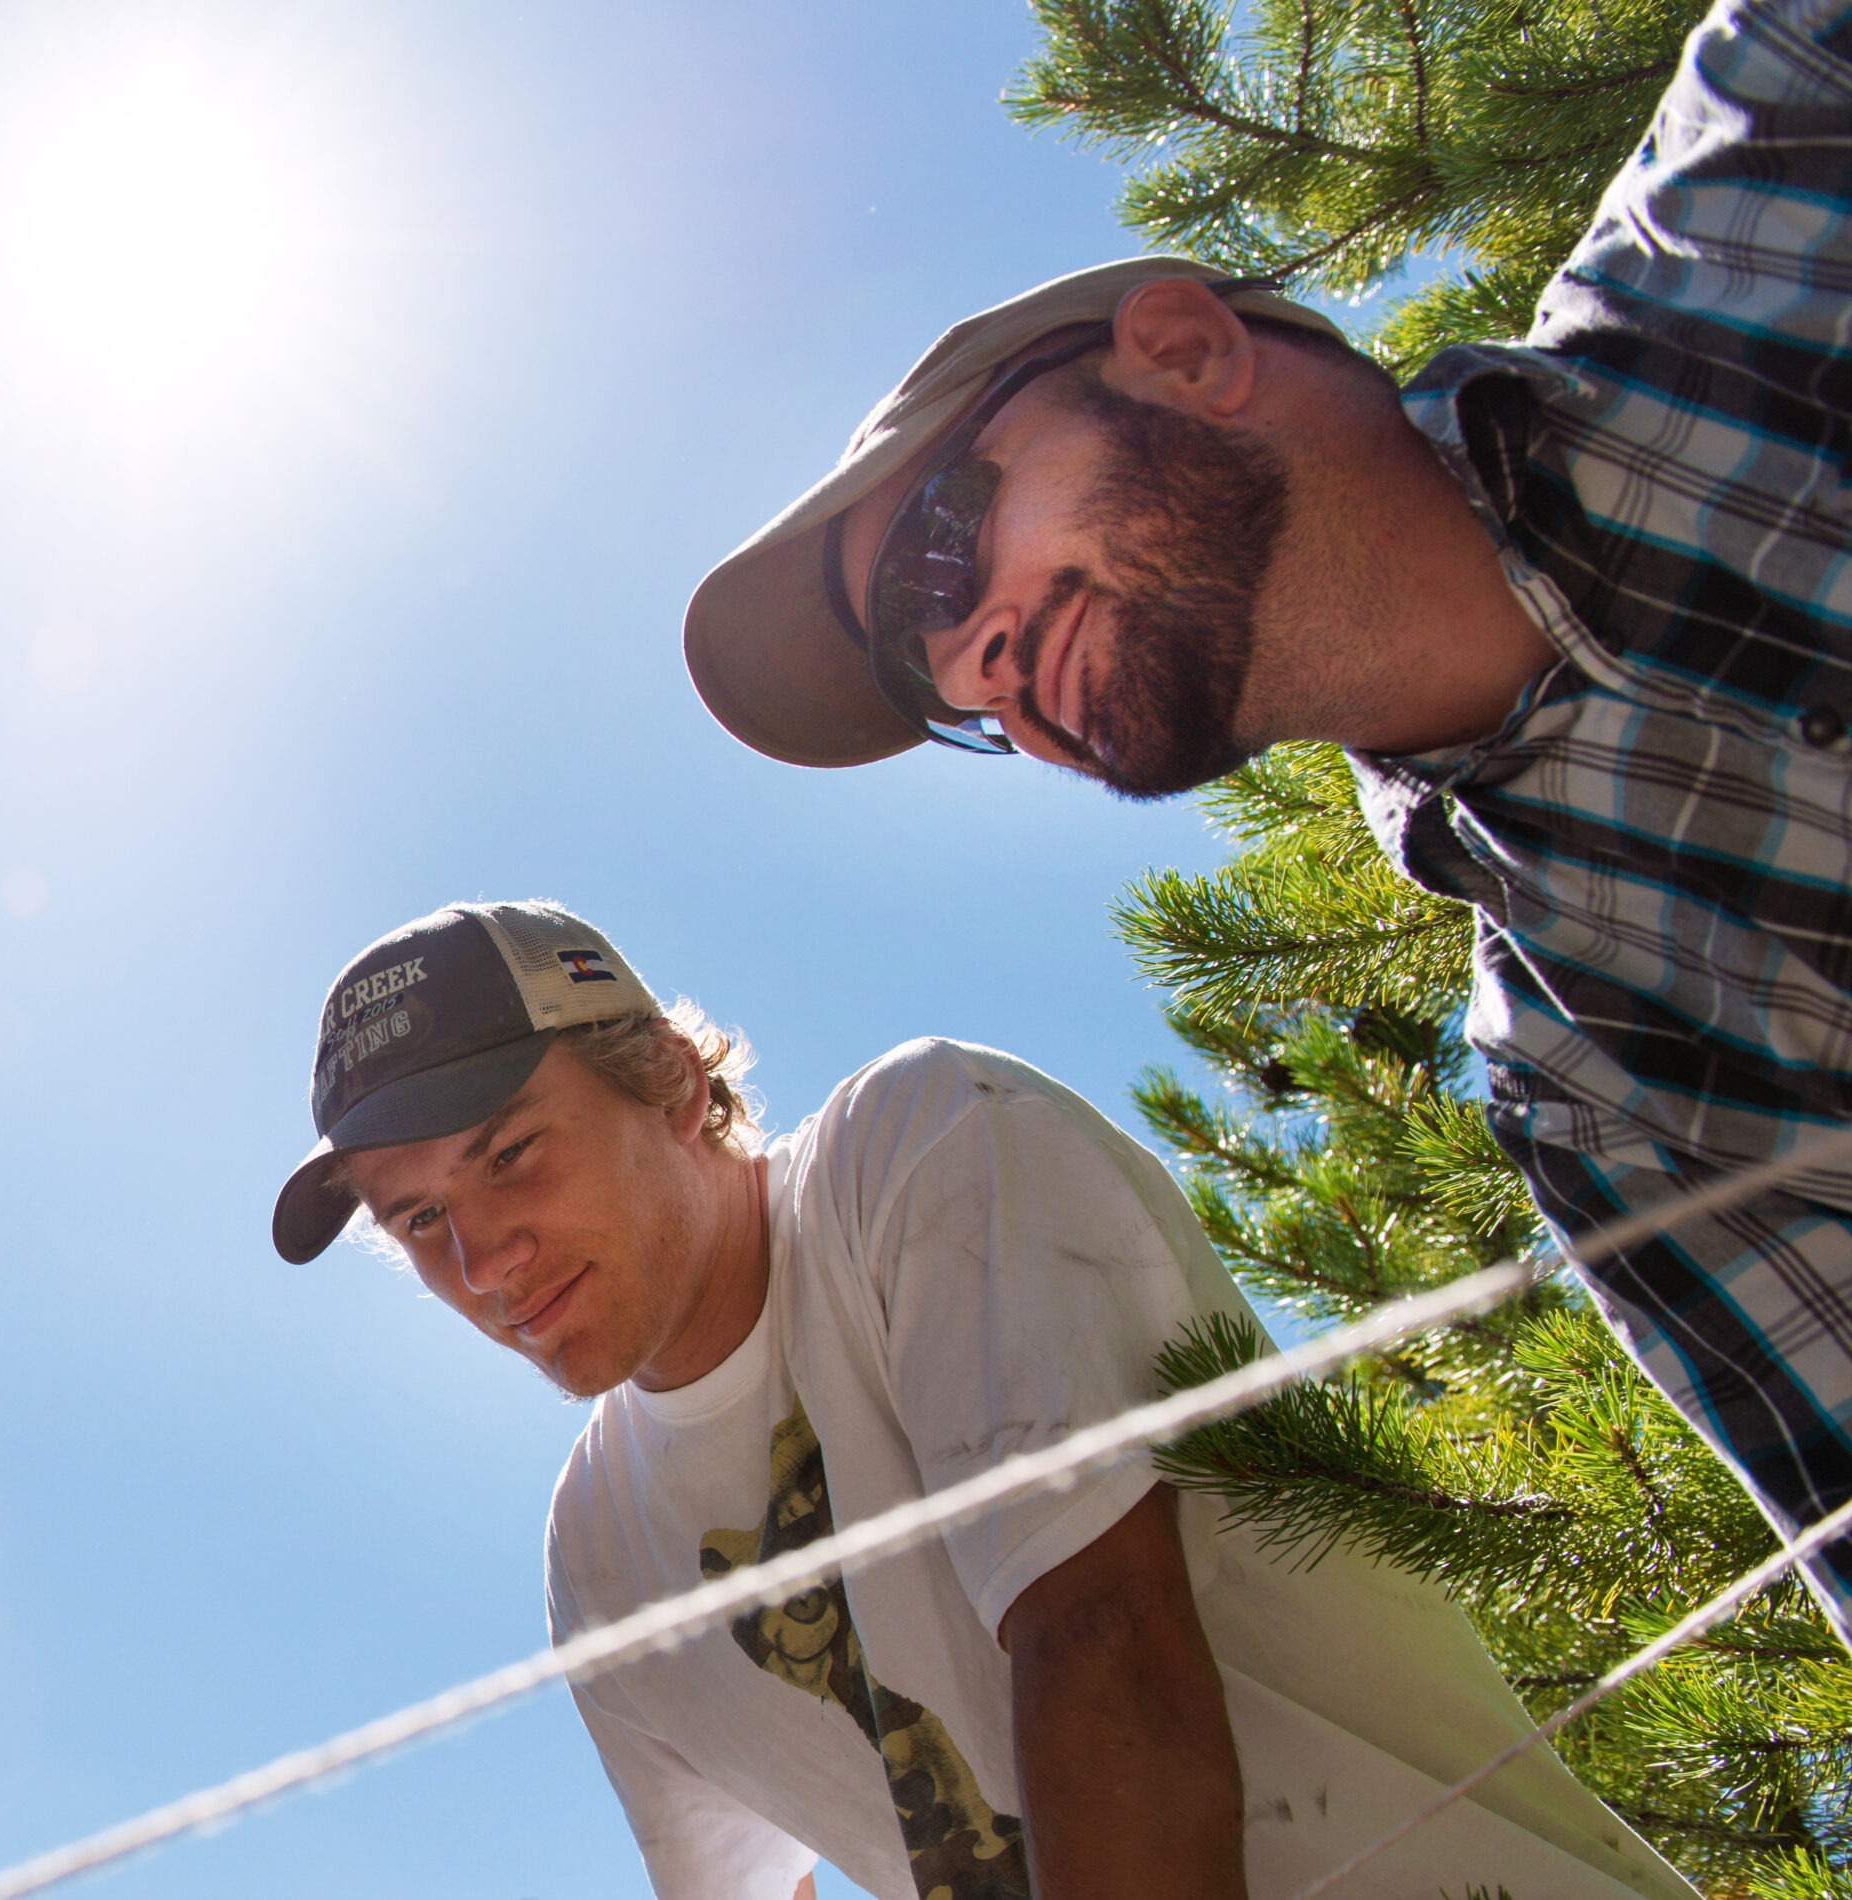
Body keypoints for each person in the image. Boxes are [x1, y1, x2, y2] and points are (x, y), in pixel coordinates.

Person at [683, 0, 1852, 1640]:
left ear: (1185, 351)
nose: (982, 667)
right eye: (945, 693)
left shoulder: (1783, 151)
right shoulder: (1603, 1088)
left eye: (948, 555)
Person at [272, 898, 1695, 1900]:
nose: (481, 1259)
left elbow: (1101, 1637)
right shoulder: (598, 1556)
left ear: (670, 1083)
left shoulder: (917, 1149)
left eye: (513, 1153)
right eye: (416, 1221)